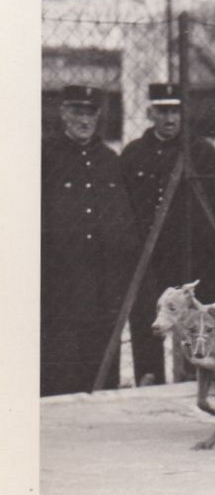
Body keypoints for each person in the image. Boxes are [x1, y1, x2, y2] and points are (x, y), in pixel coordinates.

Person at [120, 83, 215, 385]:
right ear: (149, 112)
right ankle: (148, 378)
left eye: (175, 111)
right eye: (163, 111)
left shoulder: (202, 151)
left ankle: (199, 378)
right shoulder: (133, 154)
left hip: (193, 254)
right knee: (148, 318)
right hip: (150, 256)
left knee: (197, 321)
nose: (169, 118)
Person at [41, 85, 140, 395]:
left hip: (104, 281)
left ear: (98, 117)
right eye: (76, 112)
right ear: (63, 114)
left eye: (89, 113)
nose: (83, 120)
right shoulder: (45, 156)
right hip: (61, 281)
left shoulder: (110, 160)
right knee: (61, 362)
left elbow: (125, 219)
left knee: (102, 365)